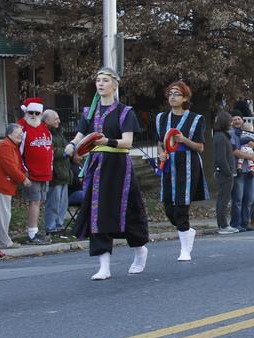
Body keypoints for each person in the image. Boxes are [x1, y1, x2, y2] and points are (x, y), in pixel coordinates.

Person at [65, 66, 149, 280]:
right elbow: (80, 135)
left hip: (119, 167)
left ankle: (140, 251)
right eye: (98, 80)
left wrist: (107, 141)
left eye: (104, 80)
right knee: (97, 212)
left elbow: (127, 142)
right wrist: (72, 145)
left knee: (128, 210)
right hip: (96, 167)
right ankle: (104, 266)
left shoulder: (125, 112)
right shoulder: (89, 112)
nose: (100, 84)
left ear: (114, 85)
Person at [155, 81, 209, 260]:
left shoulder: (196, 119)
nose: (172, 97)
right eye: (170, 93)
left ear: (185, 97)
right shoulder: (161, 118)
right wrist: (161, 153)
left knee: (181, 207)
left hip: (187, 165)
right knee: (169, 209)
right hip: (169, 166)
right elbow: (159, 142)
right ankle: (187, 231)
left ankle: (185, 250)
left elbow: (200, 147)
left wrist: (184, 140)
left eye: (177, 94)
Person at [18, 98, 54, 244]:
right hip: (31, 174)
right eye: (31, 112)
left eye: (37, 113)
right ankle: (32, 234)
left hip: (45, 173)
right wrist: (23, 170)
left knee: (40, 202)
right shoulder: (22, 128)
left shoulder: (44, 128)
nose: (34, 115)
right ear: (26, 112)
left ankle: (36, 230)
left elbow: (50, 149)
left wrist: (50, 167)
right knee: (34, 201)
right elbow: (17, 152)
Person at [0, 123, 30, 248]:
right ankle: (3, 241)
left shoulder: (10, 145)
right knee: (2, 214)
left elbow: (14, 166)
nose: (21, 136)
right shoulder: (5, 146)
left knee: (4, 213)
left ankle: (3, 239)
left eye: (21, 134)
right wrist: (23, 179)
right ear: (9, 134)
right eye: (18, 134)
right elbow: (10, 167)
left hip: (4, 184)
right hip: (1, 184)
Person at [42, 110, 72, 235]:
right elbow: (50, 150)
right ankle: (51, 226)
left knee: (63, 202)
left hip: (64, 172)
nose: (58, 121)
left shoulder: (59, 133)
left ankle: (59, 225)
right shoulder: (45, 134)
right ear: (47, 120)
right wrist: (65, 152)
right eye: (56, 119)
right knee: (53, 202)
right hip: (55, 174)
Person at [212, 110, 239, 235]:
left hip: (226, 173)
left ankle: (224, 224)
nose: (231, 123)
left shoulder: (222, 136)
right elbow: (221, 158)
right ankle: (222, 225)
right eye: (229, 121)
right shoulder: (220, 137)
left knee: (224, 199)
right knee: (223, 200)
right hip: (224, 174)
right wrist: (229, 172)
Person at [231, 127, 254, 232]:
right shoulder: (232, 133)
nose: (237, 121)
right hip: (239, 172)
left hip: (250, 172)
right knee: (238, 199)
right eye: (235, 119)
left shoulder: (248, 133)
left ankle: (245, 223)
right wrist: (249, 155)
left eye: (239, 119)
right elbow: (234, 150)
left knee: (249, 199)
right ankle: (235, 224)